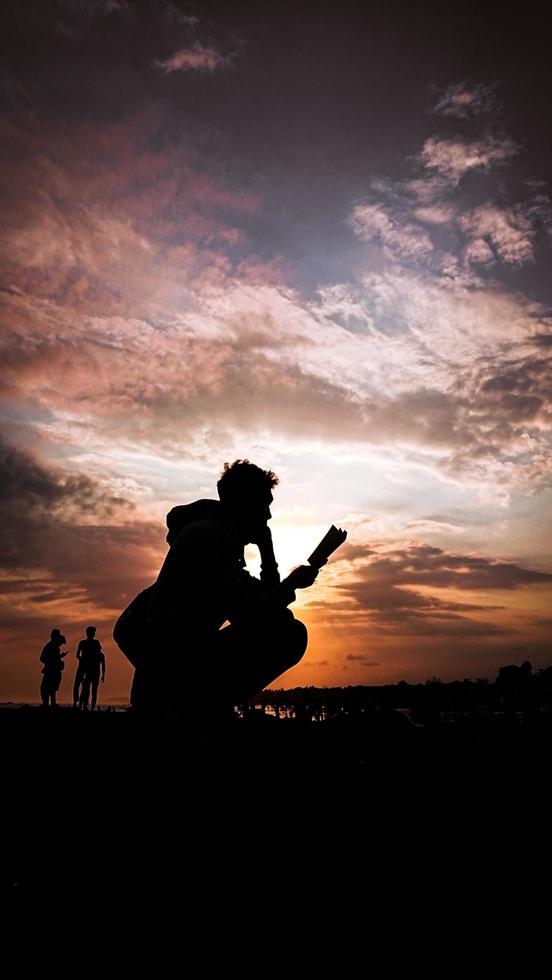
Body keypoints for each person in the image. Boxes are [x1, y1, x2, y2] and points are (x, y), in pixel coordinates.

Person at [114, 460, 321, 720]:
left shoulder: (223, 546)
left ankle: (196, 709)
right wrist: (289, 584)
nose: (268, 515)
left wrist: (268, 555)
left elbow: (269, 608)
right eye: (264, 504)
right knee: (289, 634)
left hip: (182, 655)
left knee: (284, 625)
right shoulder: (205, 538)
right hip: (172, 662)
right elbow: (249, 616)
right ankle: (194, 712)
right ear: (244, 503)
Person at [77, 626, 106, 711]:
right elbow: (77, 655)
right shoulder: (82, 643)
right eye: (92, 632)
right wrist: (83, 661)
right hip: (87, 670)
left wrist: (103, 675)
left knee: (93, 691)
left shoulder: (96, 644)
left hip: (94, 671)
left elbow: (103, 663)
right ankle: (82, 706)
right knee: (85, 690)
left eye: (93, 633)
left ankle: (91, 708)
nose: (93, 634)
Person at [40, 629, 68, 707]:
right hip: (51, 670)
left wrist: (58, 658)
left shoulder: (53, 646)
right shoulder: (50, 646)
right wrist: (57, 658)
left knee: (52, 688)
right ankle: (47, 704)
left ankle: (52, 703)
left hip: (53, 670)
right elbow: (43, 658)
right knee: (47, 688)